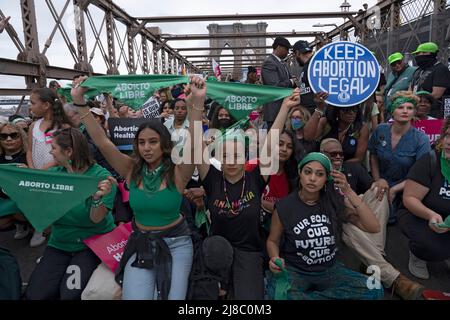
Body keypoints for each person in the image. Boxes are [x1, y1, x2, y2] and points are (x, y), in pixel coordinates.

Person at [70, 75, 203, 300]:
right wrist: (79, 102)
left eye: (153, 142)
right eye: (141, 143)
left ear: (164, 144)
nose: (147, 148)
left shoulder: (178, 172)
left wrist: (197, 103)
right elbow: (103, 142)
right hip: (140, 242)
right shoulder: (131, 169)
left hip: (177, 244)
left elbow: (195, 143)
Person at [194, 88, 300, 299]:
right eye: (226, 155)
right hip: (217, 252)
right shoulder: (212, 179)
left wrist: (285, 108)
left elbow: (270, 144)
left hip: (249, 253)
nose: (232, 161)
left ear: (246, 158)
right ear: (219, 158)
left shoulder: (255, 179)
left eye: (237, 155)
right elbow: (196, 143)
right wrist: (195, 103)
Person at [266, 152, 383, 300]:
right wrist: (275, 257)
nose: (312, 178)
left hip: (330, 270)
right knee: (280, 294)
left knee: (375, 289)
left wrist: (348, 191)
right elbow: (272, 241)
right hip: (296, 270)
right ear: (300, 173)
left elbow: (373, 227)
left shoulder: (334, 203)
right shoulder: (284, 206)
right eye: (308, 172)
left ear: (326, 179)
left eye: (319, 174)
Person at [320, 138, 425, 300]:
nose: (339, 157)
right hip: (338, 223)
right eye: (333, 154)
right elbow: (329, 208)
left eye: (341, 153)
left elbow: (371, 188)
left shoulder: (352, 168)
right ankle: (394, 278)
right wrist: (351, 212)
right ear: (323, 155)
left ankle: (371, 260)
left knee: (379, 191)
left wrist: (381, 181)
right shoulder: (318, 174)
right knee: (347, 225)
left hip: (357, 212)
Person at [25, 128, 117, 300]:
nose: (50, 152)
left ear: (68, 152)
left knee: (70, 295)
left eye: (53, 148)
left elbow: (96, 219)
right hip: (60, 243)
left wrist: (96, 199)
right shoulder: (54, 176)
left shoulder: (101, 178)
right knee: (35, 295)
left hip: (91, 244)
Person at [398, 119, 450, 280]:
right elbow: (409, 198)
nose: (449, 142)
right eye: (448, 136)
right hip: (420, 216)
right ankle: (418, 254)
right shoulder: (430, 160)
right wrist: (430, 215)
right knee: (433, 247)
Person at [368, 91, 431, 223]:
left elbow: (422, 174)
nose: (405, 111)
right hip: (380, 182)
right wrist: (378, 180)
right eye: (400, 107)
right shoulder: (380, 130)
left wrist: (395, 189)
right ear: (392, 110)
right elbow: (373, 156)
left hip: (407, 187)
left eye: (409, 108)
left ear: (414, 112)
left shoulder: (421, 139)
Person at [303, 103, 369, 164]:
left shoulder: (361, 128)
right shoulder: (325, 122)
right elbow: (308, 137)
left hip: (348, 166)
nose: (351, 113)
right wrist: (318, 110)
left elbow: (358, 158)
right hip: (322, 164)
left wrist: (338, 166)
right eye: (346, 110)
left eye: (354, 110)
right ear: (337, 111)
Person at [0, 122, 31, 240]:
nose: (8, 139)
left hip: (28, 201)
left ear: (21, 137)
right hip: (5, 199)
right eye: (3, 136)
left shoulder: (29, 157)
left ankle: (38, 228)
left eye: (13, 135)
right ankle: (21, 225)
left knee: (20, 212)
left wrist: (30, 171)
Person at [261, 37, 297, 128]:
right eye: (286, 49)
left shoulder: (282, 63)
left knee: (282, 139)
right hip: (274, 112)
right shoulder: (269, 63)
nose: (288, 52)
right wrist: (291, 81)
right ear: (278, 47)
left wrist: (290, 80)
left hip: (282, 110)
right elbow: (274, 86)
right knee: (274, 139)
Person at [410, 42, 450, 119]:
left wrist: (419, 101)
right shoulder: (418, 70)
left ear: (428, 53)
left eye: (419, 53)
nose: (417, 56)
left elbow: (437, 94)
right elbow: (410, 91)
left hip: (434, 113)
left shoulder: (440, 69)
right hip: (416, 113)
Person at [292, 40, 316, 115]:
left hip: (313, 110)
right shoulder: (309, 64)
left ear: (297, 53)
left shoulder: (313, 64)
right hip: (309, 108)